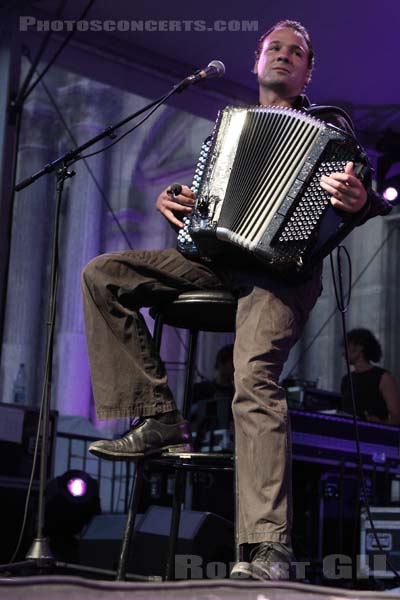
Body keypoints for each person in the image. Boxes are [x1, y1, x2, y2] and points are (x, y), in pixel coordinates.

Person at [81, 20, 391, 580]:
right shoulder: (228, 128)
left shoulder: (331, 128)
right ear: (257, 61)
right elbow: (210, 206)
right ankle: (157, 416)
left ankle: (266, 550)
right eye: (275, 47)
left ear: (307, 71)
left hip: (283, 273)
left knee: (253, 378)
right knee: (105, 274)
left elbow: (362, 198)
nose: (284, 56)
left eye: (296, 52)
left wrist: (360, 198)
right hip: (216, 259)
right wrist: (176, 199)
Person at [341, 329, 400, 425]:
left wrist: (380, 423)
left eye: (347, 347)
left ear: (359, 348)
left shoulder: (383, 377)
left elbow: (397, 418)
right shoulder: (346, 380)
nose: (343, 353)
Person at [191, 344, 235, 451]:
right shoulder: (201, 389)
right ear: (221, 362)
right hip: (203, 446)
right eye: (232, 361)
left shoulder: (236, 393)